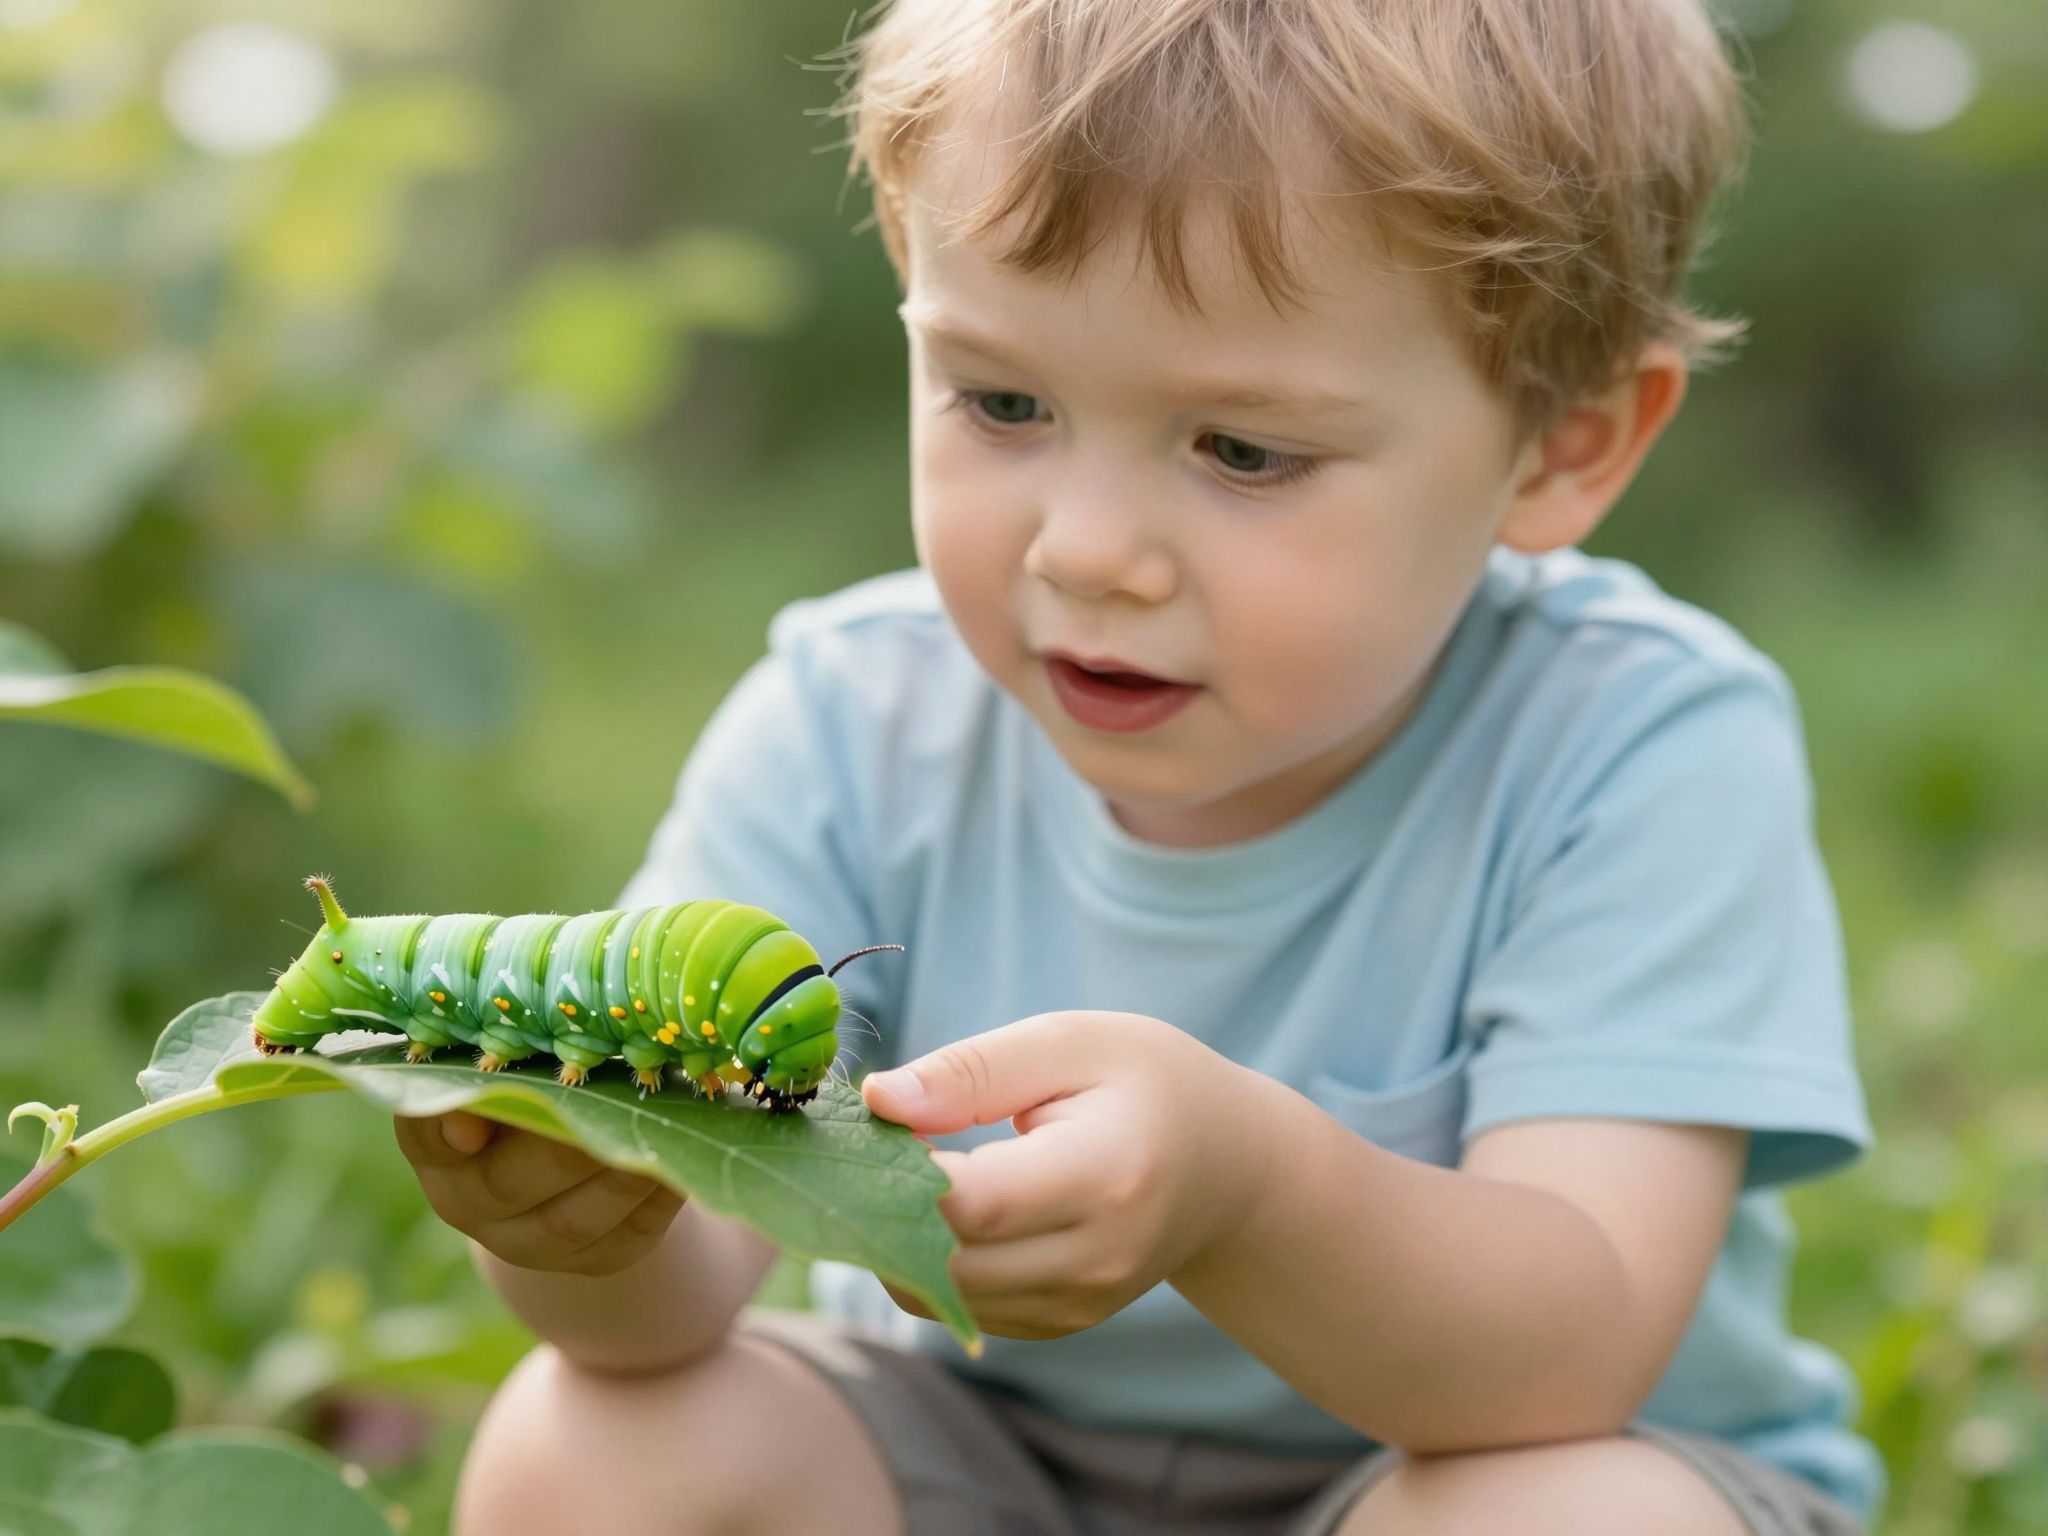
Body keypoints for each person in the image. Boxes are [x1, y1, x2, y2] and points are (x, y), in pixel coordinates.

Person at [396, 1, 1884, 1531]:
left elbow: (1568, 1358)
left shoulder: (1630, 745)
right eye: (1004, 403)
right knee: (601, 1441)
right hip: (980, 1463)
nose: (1088, 550)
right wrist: (584, 1210)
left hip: (1464, 1471)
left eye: (1244, 450)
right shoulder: (853, 720)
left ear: (1567, 444)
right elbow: (661, 1309)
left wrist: (1250, 1194)